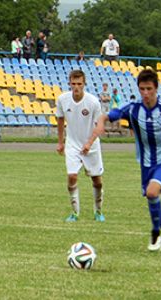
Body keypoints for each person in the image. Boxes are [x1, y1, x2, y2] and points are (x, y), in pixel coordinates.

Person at [88, 69, 161, 251]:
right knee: (151, 196)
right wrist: (100, 123)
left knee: (152, 193)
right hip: (146, 162)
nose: (145, 93)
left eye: (149, 89)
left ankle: (155, 234)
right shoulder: (133, 109)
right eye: (142, 89)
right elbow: (106, 115)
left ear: (156, 88)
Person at [56, 70, 105, 222]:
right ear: (69, 83)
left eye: (79, 84)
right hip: (72, 144)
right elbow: (60, 120)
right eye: (73, 84)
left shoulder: (93, 102)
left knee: (97, 180)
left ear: (84, 84)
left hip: (91, 145)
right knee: (71, 176)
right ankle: (75, 213)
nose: (76, 87)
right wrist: (60, 142)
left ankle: (98, 211)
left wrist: (89, 143)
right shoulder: (62, 99)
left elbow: (99, 126)